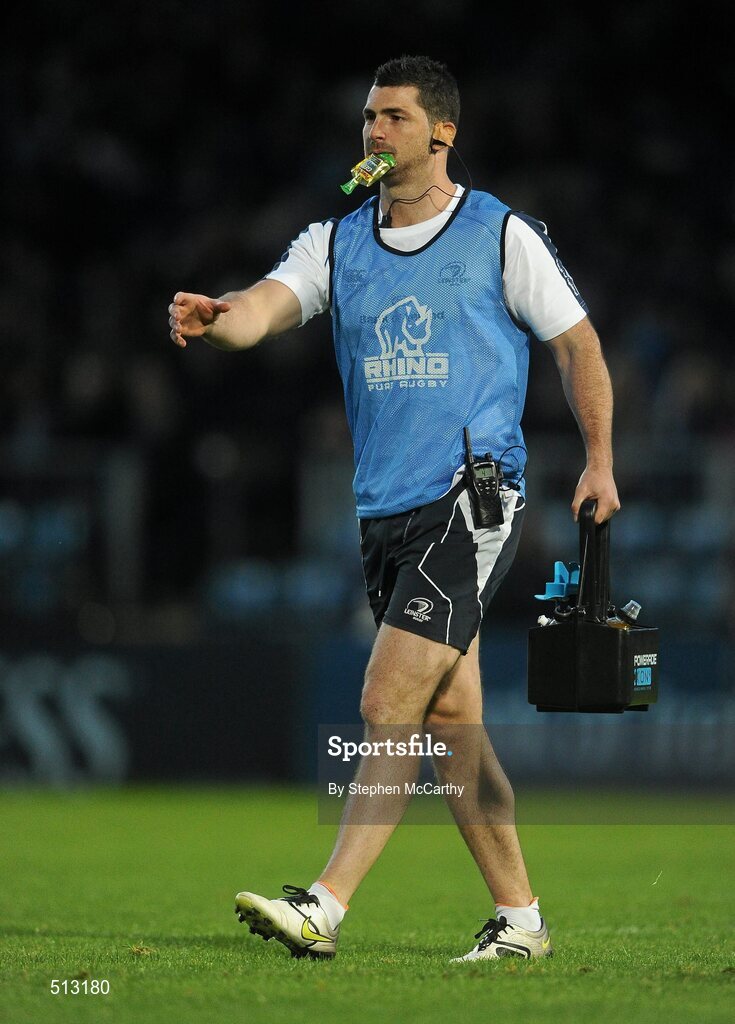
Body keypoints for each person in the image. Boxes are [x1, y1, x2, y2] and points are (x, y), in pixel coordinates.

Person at [168, 54, 620, 962]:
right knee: (452, 726)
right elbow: (270, 304)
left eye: (395, 118)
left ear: (441, 133)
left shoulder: (497, 234)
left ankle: (324, 905)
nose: (374, 132)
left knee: (386, 698)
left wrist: (600, 460)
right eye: (368, 118)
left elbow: (576, 345)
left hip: (473, 494)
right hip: (383, 509)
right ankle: (521, 921)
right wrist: (225, 317)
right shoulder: (337, 241)